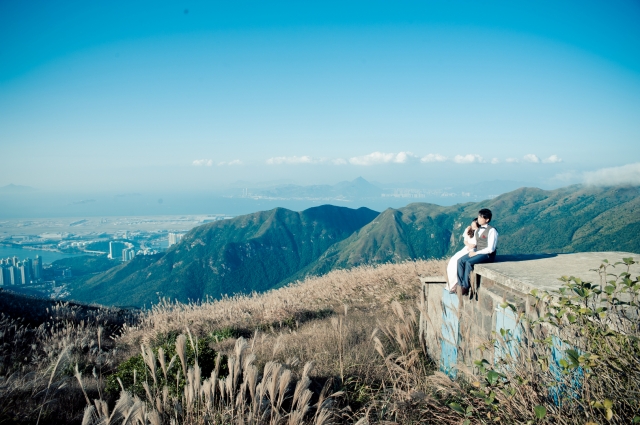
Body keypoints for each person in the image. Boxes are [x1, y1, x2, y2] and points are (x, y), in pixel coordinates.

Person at [456, 208, 498, 295]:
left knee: (468, 262)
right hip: (478, 252)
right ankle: (460, 285)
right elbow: (475, 242)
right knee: (460, 261)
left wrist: (476, 253)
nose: (478, 219)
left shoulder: (492, 231)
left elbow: (491, 249)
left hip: (487, 255)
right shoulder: (478, 230)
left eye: (480, 217)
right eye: (478, 217)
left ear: (487, 219)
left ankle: (465, 286)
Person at [446, 219, 478, 293]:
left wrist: (474, 246)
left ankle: (457, 284)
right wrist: (468, 245)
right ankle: (452, 284)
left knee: (459, 261)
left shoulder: (480, 231)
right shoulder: (469, 229)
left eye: (474, 225)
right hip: (467, 248)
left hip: (474, 249)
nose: (472, 226)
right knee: (453, 260)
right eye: (472, 224)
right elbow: (465, 241)